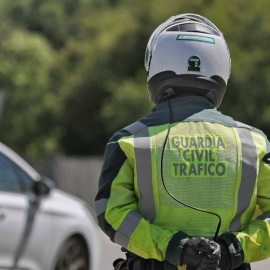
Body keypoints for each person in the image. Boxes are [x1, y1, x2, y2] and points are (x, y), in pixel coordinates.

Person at [95, 14, 270, 270]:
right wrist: (231, 250)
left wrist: (176, 248)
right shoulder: (254, 143)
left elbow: (112, 216)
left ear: (155, 66)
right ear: (222, 69)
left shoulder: (130, 141)